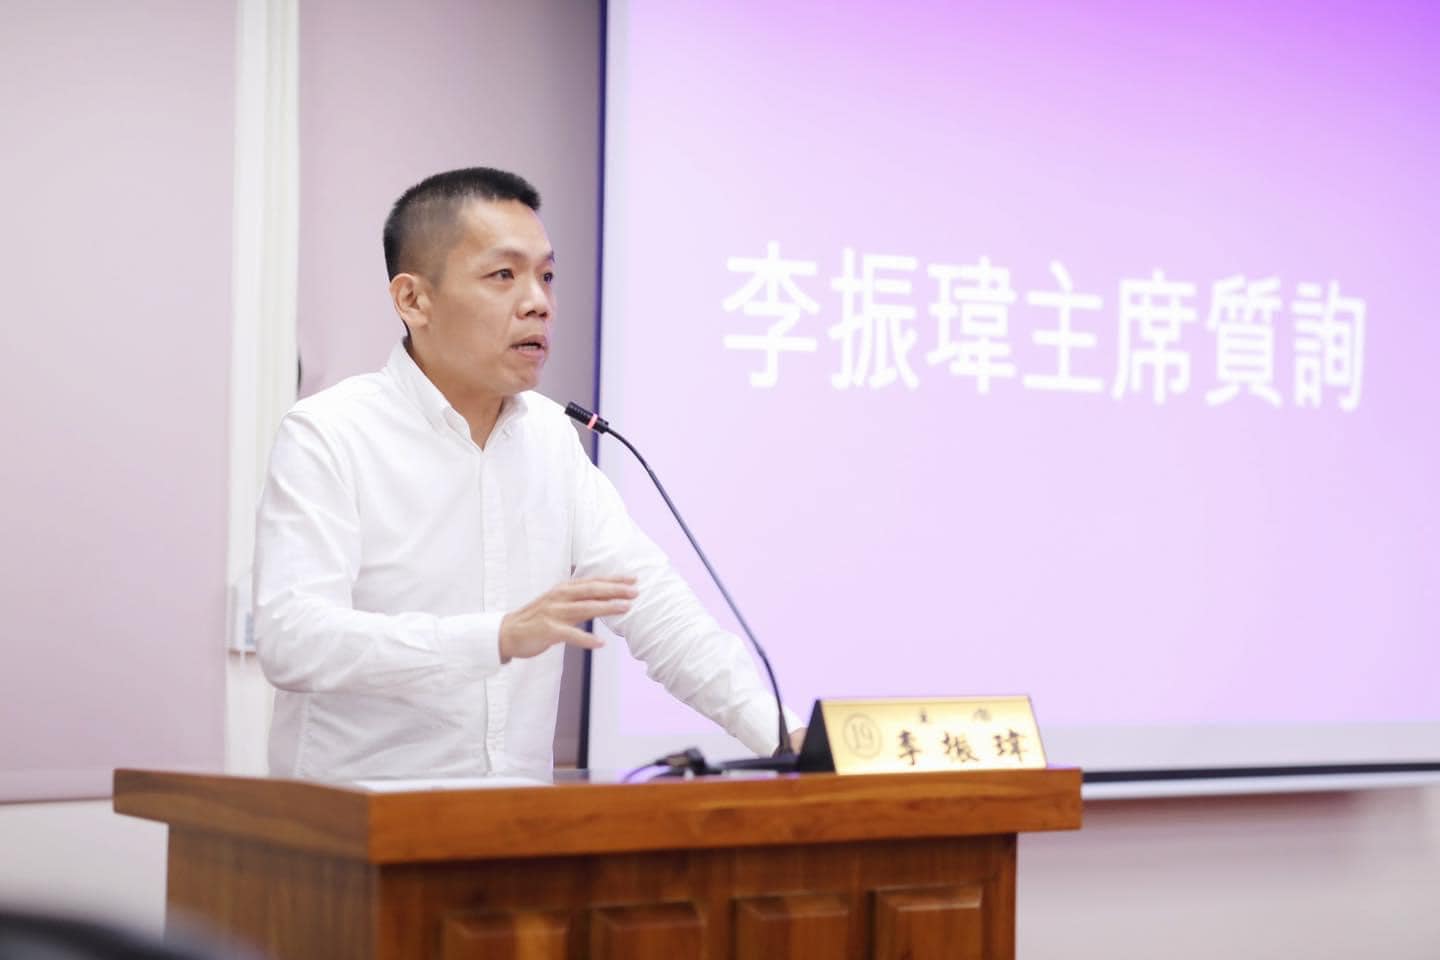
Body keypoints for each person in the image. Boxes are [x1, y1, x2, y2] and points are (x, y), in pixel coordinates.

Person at [253, 167, 800, 781]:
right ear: (413, 300)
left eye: (546, 276)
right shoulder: (330, 433)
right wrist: (496, 637)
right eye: (503, 275)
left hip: (515, 820)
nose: (538, 302)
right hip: (357, 820)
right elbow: (294, 639)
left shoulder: (551, 440)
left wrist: (787, 738)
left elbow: (656, 611)